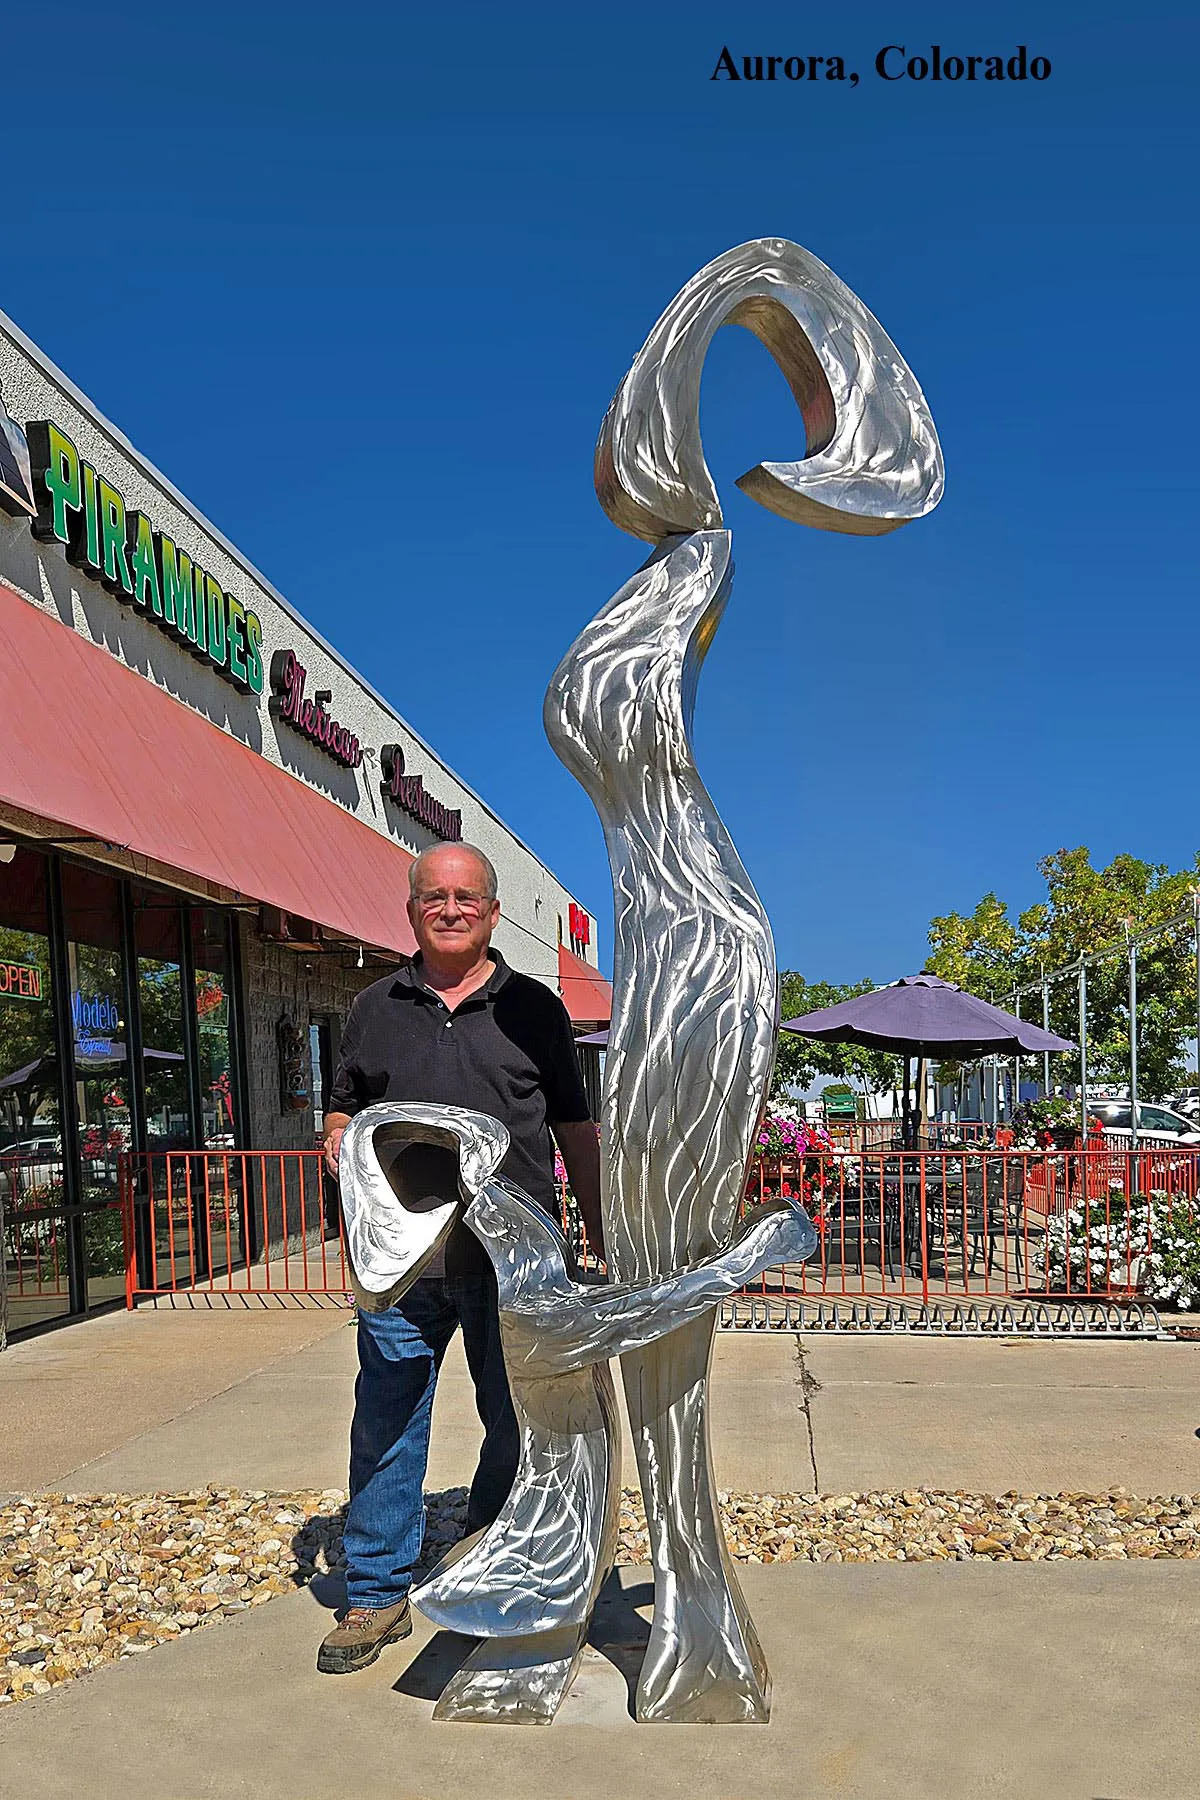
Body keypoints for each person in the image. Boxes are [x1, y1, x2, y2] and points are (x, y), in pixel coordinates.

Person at [316, 842, 603, 1674]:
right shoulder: (374, 1006)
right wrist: (337, 1139)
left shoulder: (537, 1010)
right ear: (411, 910)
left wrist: (598, 1233)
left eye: (466, 897)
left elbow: (574, 1128)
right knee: (386, 1423)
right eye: (434, 897)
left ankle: (491, 1548)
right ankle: (375, 1594)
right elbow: (342, 1108)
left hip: (513, 1261)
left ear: (493, 911)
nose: (450, 909)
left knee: (515, 1421)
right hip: (402, 1264)